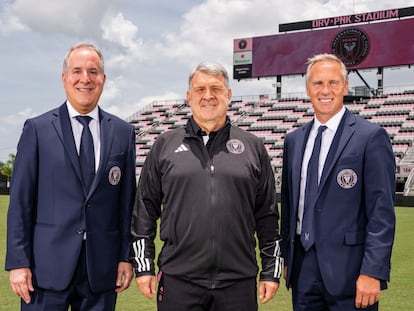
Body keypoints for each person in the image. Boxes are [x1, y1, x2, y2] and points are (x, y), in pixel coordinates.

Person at [130, 61, 283, 310]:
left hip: (238, 283)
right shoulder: (164, 146)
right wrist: (144, 265)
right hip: (179, 280)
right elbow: (144, 211)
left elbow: (267, 216)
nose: (208, 96)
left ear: (229, 95)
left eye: (216, 89)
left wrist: (269, 271)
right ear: (189, 97)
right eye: (200, 90)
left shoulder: (253, 147)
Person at [5, 42, 137, 310]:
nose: (85, 79)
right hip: (45, 270)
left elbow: (126, 205)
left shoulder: (123, 132)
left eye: (93, 71)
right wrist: (19, 262)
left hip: (101, 269)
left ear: (103, 79)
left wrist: (126, 256)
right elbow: (20, 203)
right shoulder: (38, 129)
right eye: (77, 71)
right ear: (65, 78)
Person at [280, 53, 396, 310]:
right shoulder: (293, 140)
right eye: (318, 83)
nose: (325, 90)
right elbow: (288, 207)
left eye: (333, 83)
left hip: (352, 271)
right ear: (308, 88)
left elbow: (382, 212)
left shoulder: (370, 137)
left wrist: (373, 271)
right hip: (302, 268)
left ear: (345, 86)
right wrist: (287, 257)